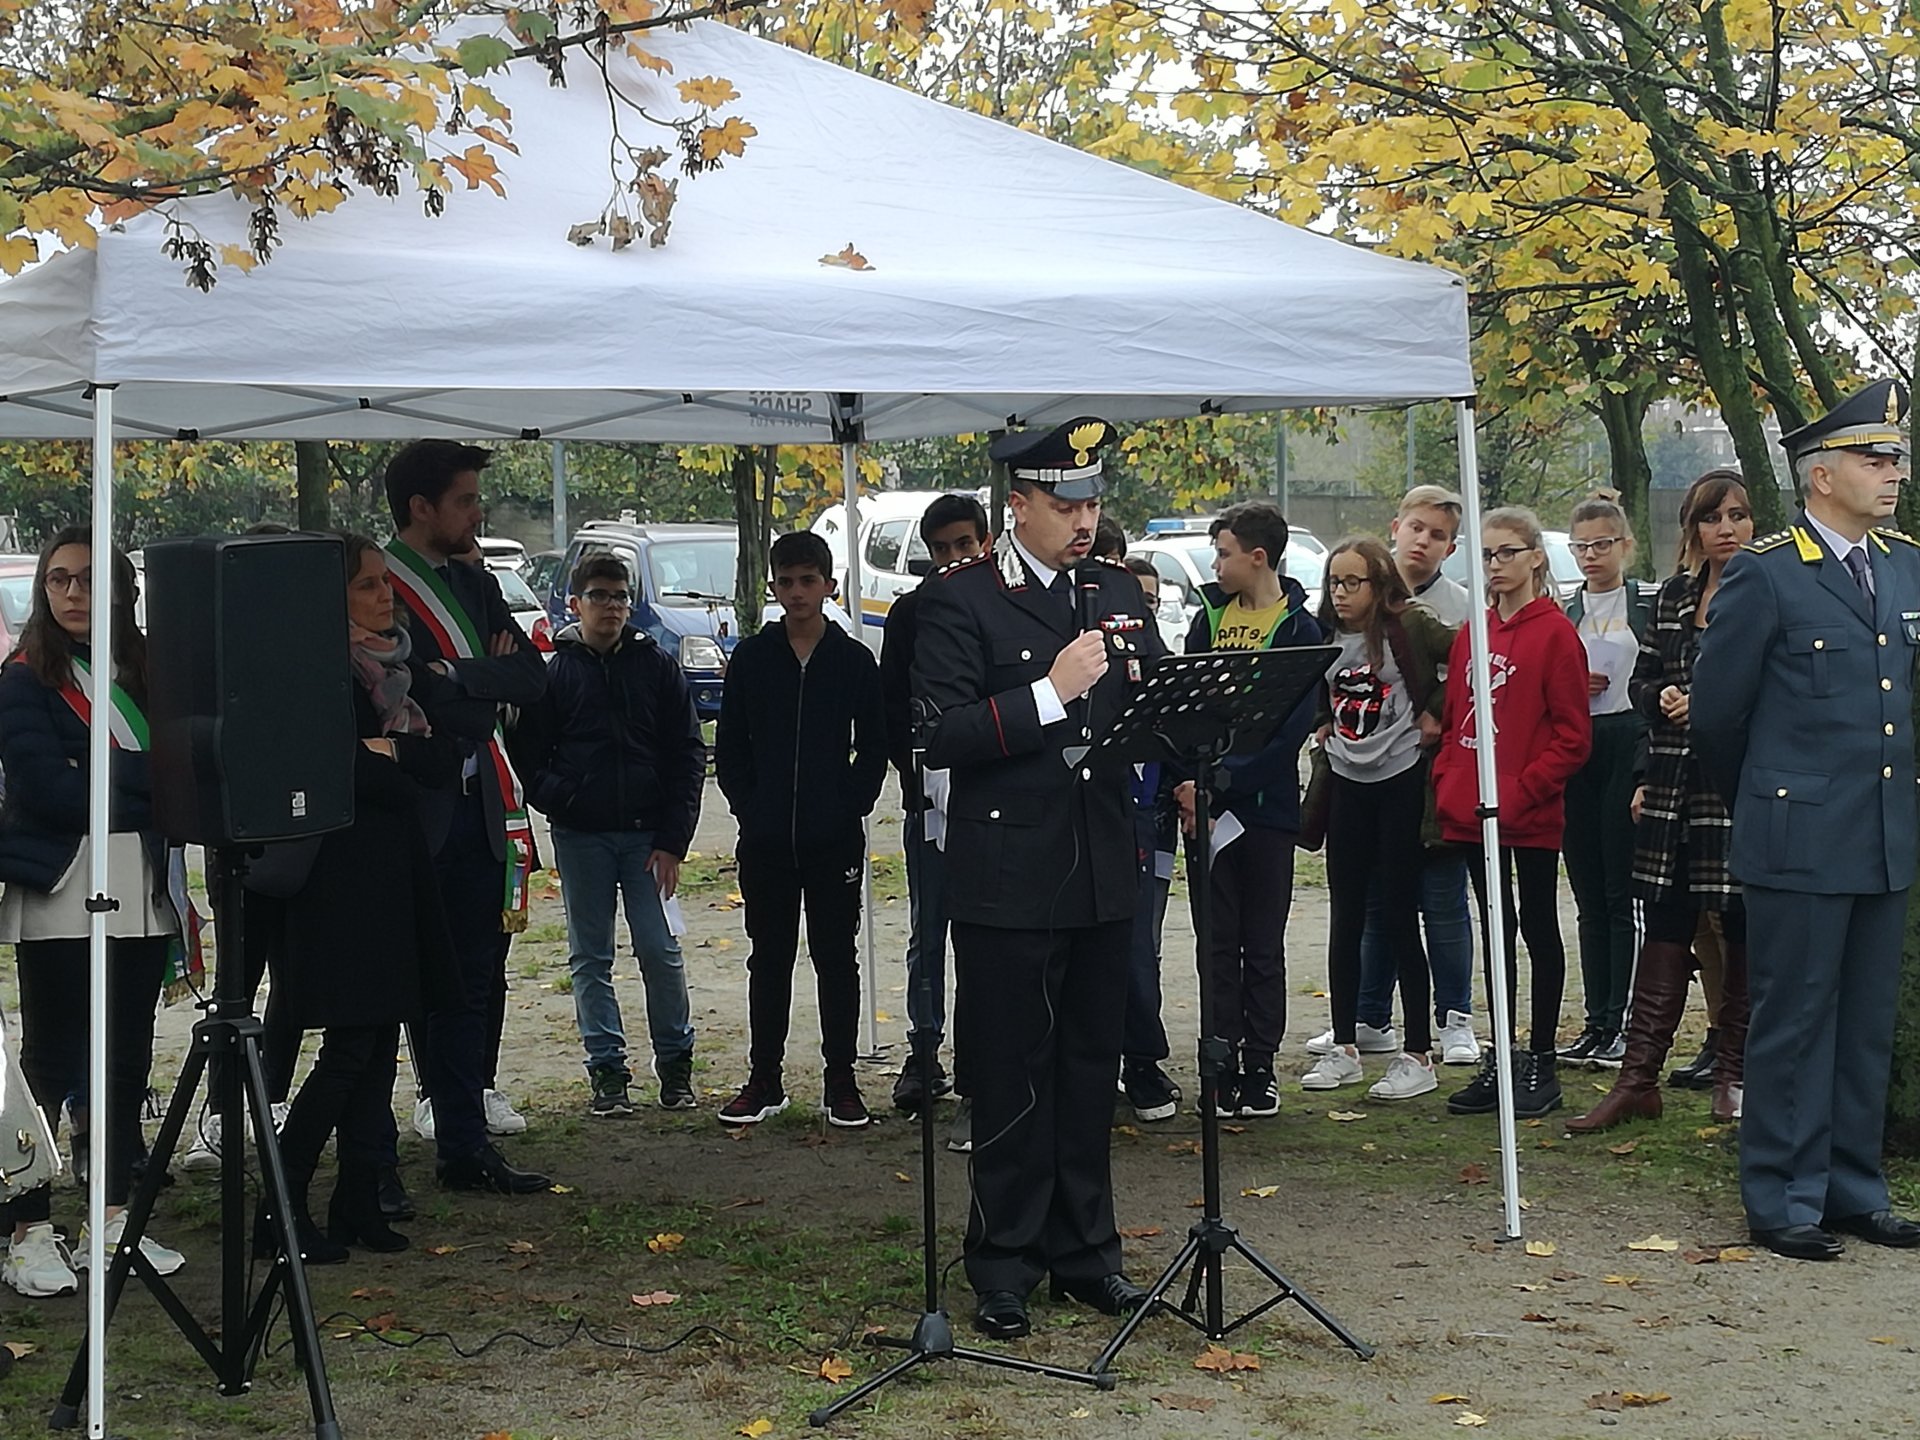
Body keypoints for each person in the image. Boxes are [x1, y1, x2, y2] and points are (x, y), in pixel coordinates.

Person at [915, 416, 1160, 1340]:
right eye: (1064, 504)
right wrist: (1050, 692)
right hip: (1009, 873)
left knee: (1092, 1067)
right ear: (1016, 506)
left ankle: (1085, 1253)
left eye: (1093, 501)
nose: (1083, 519)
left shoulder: (1109, 589)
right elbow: (940, 732)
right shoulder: (960, 600)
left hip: (1100, 864)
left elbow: (1153, 695)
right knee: (1013, 1074)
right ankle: (1004, 1261)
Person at [1694, 378, 1920, 1262]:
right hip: (1798, 833)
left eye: (1895, 457)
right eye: (1875, 458)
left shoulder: (1903, 563)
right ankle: (1782, 1196)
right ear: (1821, 475)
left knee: (1863, 1020)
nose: (1892, 471)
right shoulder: (1767, 572)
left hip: (1883, 830)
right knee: (1794, 1019)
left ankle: (1851, 1187)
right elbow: (1718, 716)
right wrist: (1774, 797)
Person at [0, 529, 188, 1297]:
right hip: (59, 890)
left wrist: (113, 774)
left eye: (88, 580)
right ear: (44, 592)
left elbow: (186, 771)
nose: (74, 594)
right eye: (59, 580)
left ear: (120, 589)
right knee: (53, 1059)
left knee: (124, 1058)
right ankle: (27, 1225)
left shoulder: (148, 671)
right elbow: (48, 792)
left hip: (143, 884)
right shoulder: (21, 681)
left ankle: (112, 1218)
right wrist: (141, 779)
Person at [265, 534, 462, 1261]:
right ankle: (279, 1207)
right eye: (369, 585)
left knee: (379, 1046)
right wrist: (394, 762)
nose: (387, 595)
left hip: (390, 874)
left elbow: (441, 756)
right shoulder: (318, 672)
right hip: (341, 880)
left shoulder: (396, 670)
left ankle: (356, 1199)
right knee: (349, 1049)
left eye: (386, 582)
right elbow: (343, 770)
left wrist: (397, 754)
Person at [382, 440, 551, 1195]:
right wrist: (467, 682)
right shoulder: (377, 582)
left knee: (472, 984)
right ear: (422, 508)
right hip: (411, 813)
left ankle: (463, 1142)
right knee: (391, 988)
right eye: (465, 501)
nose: (478, 513)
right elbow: (405, 685)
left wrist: (456, 673)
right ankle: (373, 1158)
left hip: (480, 807)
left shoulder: (477, 582)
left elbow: (531, 677)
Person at [1568, 471, 1753, 1133]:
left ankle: (1733, 1073)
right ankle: (1638, 1078)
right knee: (1667, 925)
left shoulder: (1766, 589)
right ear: (1693, 530)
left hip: (1737, 785)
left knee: (1738, 926)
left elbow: (1783, 691)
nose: (1725, 528)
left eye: (1736, 515)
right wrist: (1663, 701)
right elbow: (1641, 683)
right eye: (1712, 518)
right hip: (1674, 783)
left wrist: (1713, 707)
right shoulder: (1673, 596)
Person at [516, 551, 704, 1118]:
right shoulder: (556, 673)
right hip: (583, 838)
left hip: (650, 840)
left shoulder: (657, 666)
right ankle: (607, 1072)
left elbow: (687, 753)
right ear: (575, 604)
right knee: (590, 956)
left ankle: (676, 1066)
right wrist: (569, 799)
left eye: (621, 596)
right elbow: (529, 759)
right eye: (600, 596)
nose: (612, 607)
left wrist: (674, 838)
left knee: (660, 949)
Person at [714, 531, 887, 1128]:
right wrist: (749, 805)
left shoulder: (853, 660)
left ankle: (841, 1078)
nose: (797, 593)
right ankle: (765, 1077)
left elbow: (874, 743)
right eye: (785, 581)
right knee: (769, 957)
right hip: (765, 840)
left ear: (829, 585)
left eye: (807, 580)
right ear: (773, 587)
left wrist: (851, 803)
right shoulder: (754, 658)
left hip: (832, 836)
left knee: (836, 957)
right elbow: (730, 742)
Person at [1433, 506, 1591, 1119]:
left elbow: (1573, 736)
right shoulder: (1473, 632)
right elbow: (1454, 721)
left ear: (1534, 558)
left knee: (1536, 927)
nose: (1495, 566)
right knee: (1494, 935)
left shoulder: (1554, 634)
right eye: (1487, 555)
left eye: (1506, 553)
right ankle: (1501, 1056)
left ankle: (1542, 1061)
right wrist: (1451, 780)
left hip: (1527, 813)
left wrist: (1523, 790)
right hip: (1474, 809)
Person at [1173, 501, 1323, 1119]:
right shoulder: (1208, 617)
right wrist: (1190, 784)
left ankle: (1260, 1068)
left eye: (1224, 552)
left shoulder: (1299, 629)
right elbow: (1185, 706)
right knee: (1216, 943)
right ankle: (1219, 1061)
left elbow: (1288, 730)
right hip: (1203, 809)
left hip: (1261, 812)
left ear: (1257, 557)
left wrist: (1228, 781)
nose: (1217, 564)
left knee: (1261, 945)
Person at [1305, 536, 1456, 1102]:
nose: (1341, 594)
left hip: (1399, 779)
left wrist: (1434, 710)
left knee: (1398, 914)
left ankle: (1419, 1051)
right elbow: (1316, 684)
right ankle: (1344, 1045)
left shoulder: (1408, 625)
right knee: (1344, 914)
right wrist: (1323, 719)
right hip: (1346, 780)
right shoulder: (1326, 631)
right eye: (1335, 583)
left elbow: (1463, 654)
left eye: (1353, 583)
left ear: (1380, 584)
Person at [1341, 486, 1478, 1068]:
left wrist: (1438, 707)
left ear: (1451, 547)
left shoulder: (1456, 606)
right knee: (1374, 902)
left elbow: (1474, 662)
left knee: (1442, 900)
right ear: (1395, 528)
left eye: (1438, 535)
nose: (1423, 541)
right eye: (1416, 528)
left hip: (1433, 774)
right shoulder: (1354, 605)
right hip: (1367, 776)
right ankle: (1370, 1016)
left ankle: (1455, 1019)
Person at [879, 494, 990, 1153]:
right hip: (929, 794)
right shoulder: (910, 614)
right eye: (942, 547)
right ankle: (924, 1051)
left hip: (989, 797)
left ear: (984, 542)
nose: (954, 557)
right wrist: (915, 771)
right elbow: (892, 702)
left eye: (964, 545)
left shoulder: (998, 604)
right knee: (929, 928)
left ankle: (982, 1070)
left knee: (985, 938)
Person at [1558, 493, 1660, 1065]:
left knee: (1623, 893)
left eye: (1603, 544)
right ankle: (1596, 1022)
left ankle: (1625, 1023)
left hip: (1629, 737)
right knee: (1588, 895)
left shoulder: (1644, 601)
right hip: (1579, 745)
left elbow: (1654, 671)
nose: (1592, 555)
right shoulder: (1564, 608)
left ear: (1625, 545)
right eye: (1582, 546)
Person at [1118, 554, 1181, 1123]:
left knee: (1142, 948)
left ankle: (1141, 1059)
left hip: (1148, 819)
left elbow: (1178, 732)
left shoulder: (1155, 656)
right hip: (1084, 816)